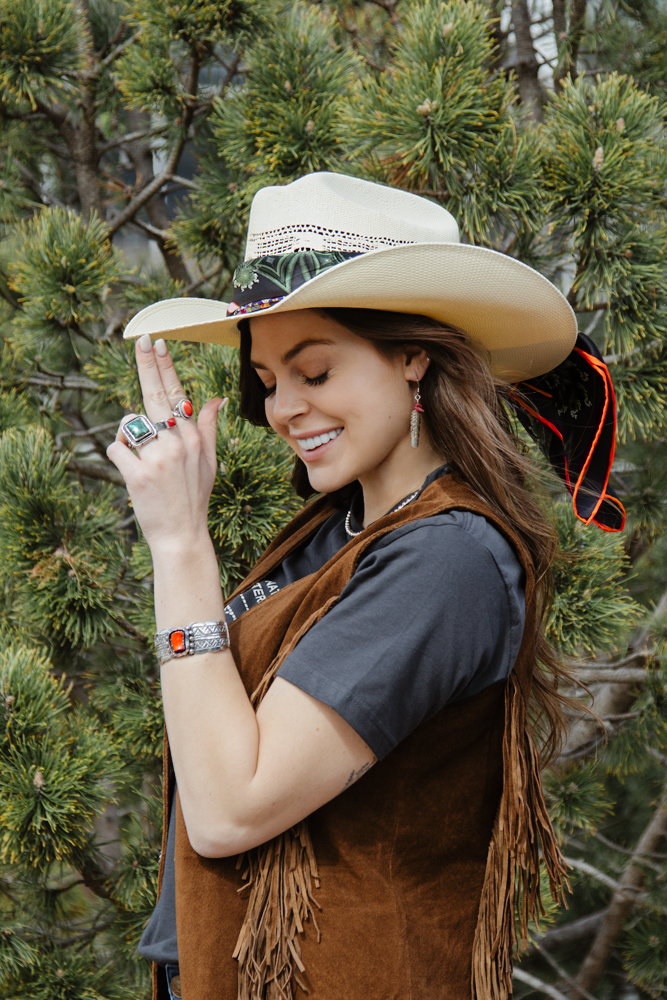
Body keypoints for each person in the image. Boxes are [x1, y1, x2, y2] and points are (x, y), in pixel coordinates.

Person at [110, 173, 624, 1000]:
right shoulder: (336, 532)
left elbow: (229, 810)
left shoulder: (446, 561)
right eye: (269, 380)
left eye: (314, 372)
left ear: (412, 355)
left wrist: (179, 544)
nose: (284, 409)